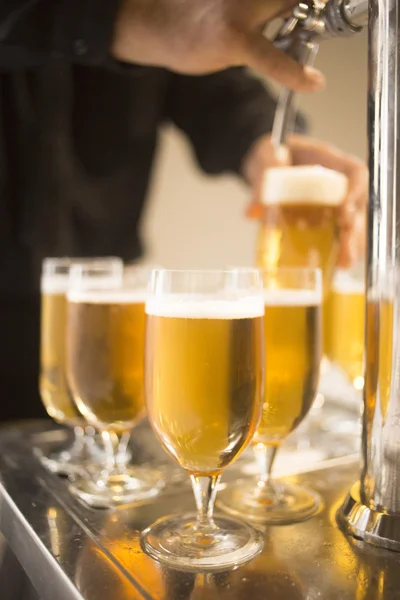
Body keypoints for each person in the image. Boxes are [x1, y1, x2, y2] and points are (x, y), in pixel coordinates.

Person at [0, 0, 367, 422]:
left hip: (108, 298)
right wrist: (124, 20)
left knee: (96, 443)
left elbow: (206, 85)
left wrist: (264, 143)